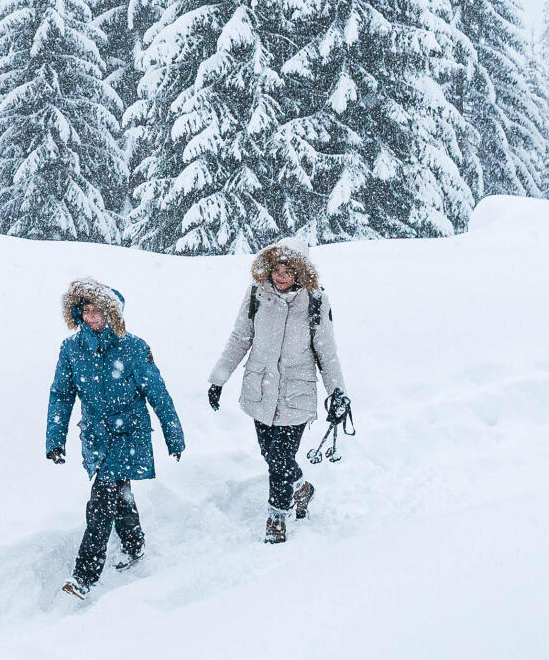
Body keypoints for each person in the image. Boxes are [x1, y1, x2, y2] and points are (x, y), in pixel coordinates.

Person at [46, 278, 185, 599]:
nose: (92, 317)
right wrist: (55, 438)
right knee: (117, 491)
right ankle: (134, 543)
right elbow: (61, 395)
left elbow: (157, 392)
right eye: (86, 311)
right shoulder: (71, 349)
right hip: (95, 434)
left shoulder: (133, 347)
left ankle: (84, 576)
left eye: (99, 311)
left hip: (128, 431)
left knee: (101, 501)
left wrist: (173, 432)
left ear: (113, 314)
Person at [207, 239, 347, 544]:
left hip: (296, 394)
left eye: (288, 270)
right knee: (271, 455)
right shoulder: (257, 294)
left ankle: (277, 517)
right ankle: (301, 488)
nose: (280, 275)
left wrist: (337, 393)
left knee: (281, 457)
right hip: (261, 390)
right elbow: (240, 338)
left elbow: (326, 351)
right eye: (276, 269)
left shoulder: (315, 301)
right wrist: (219, 378)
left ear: (300, 272)